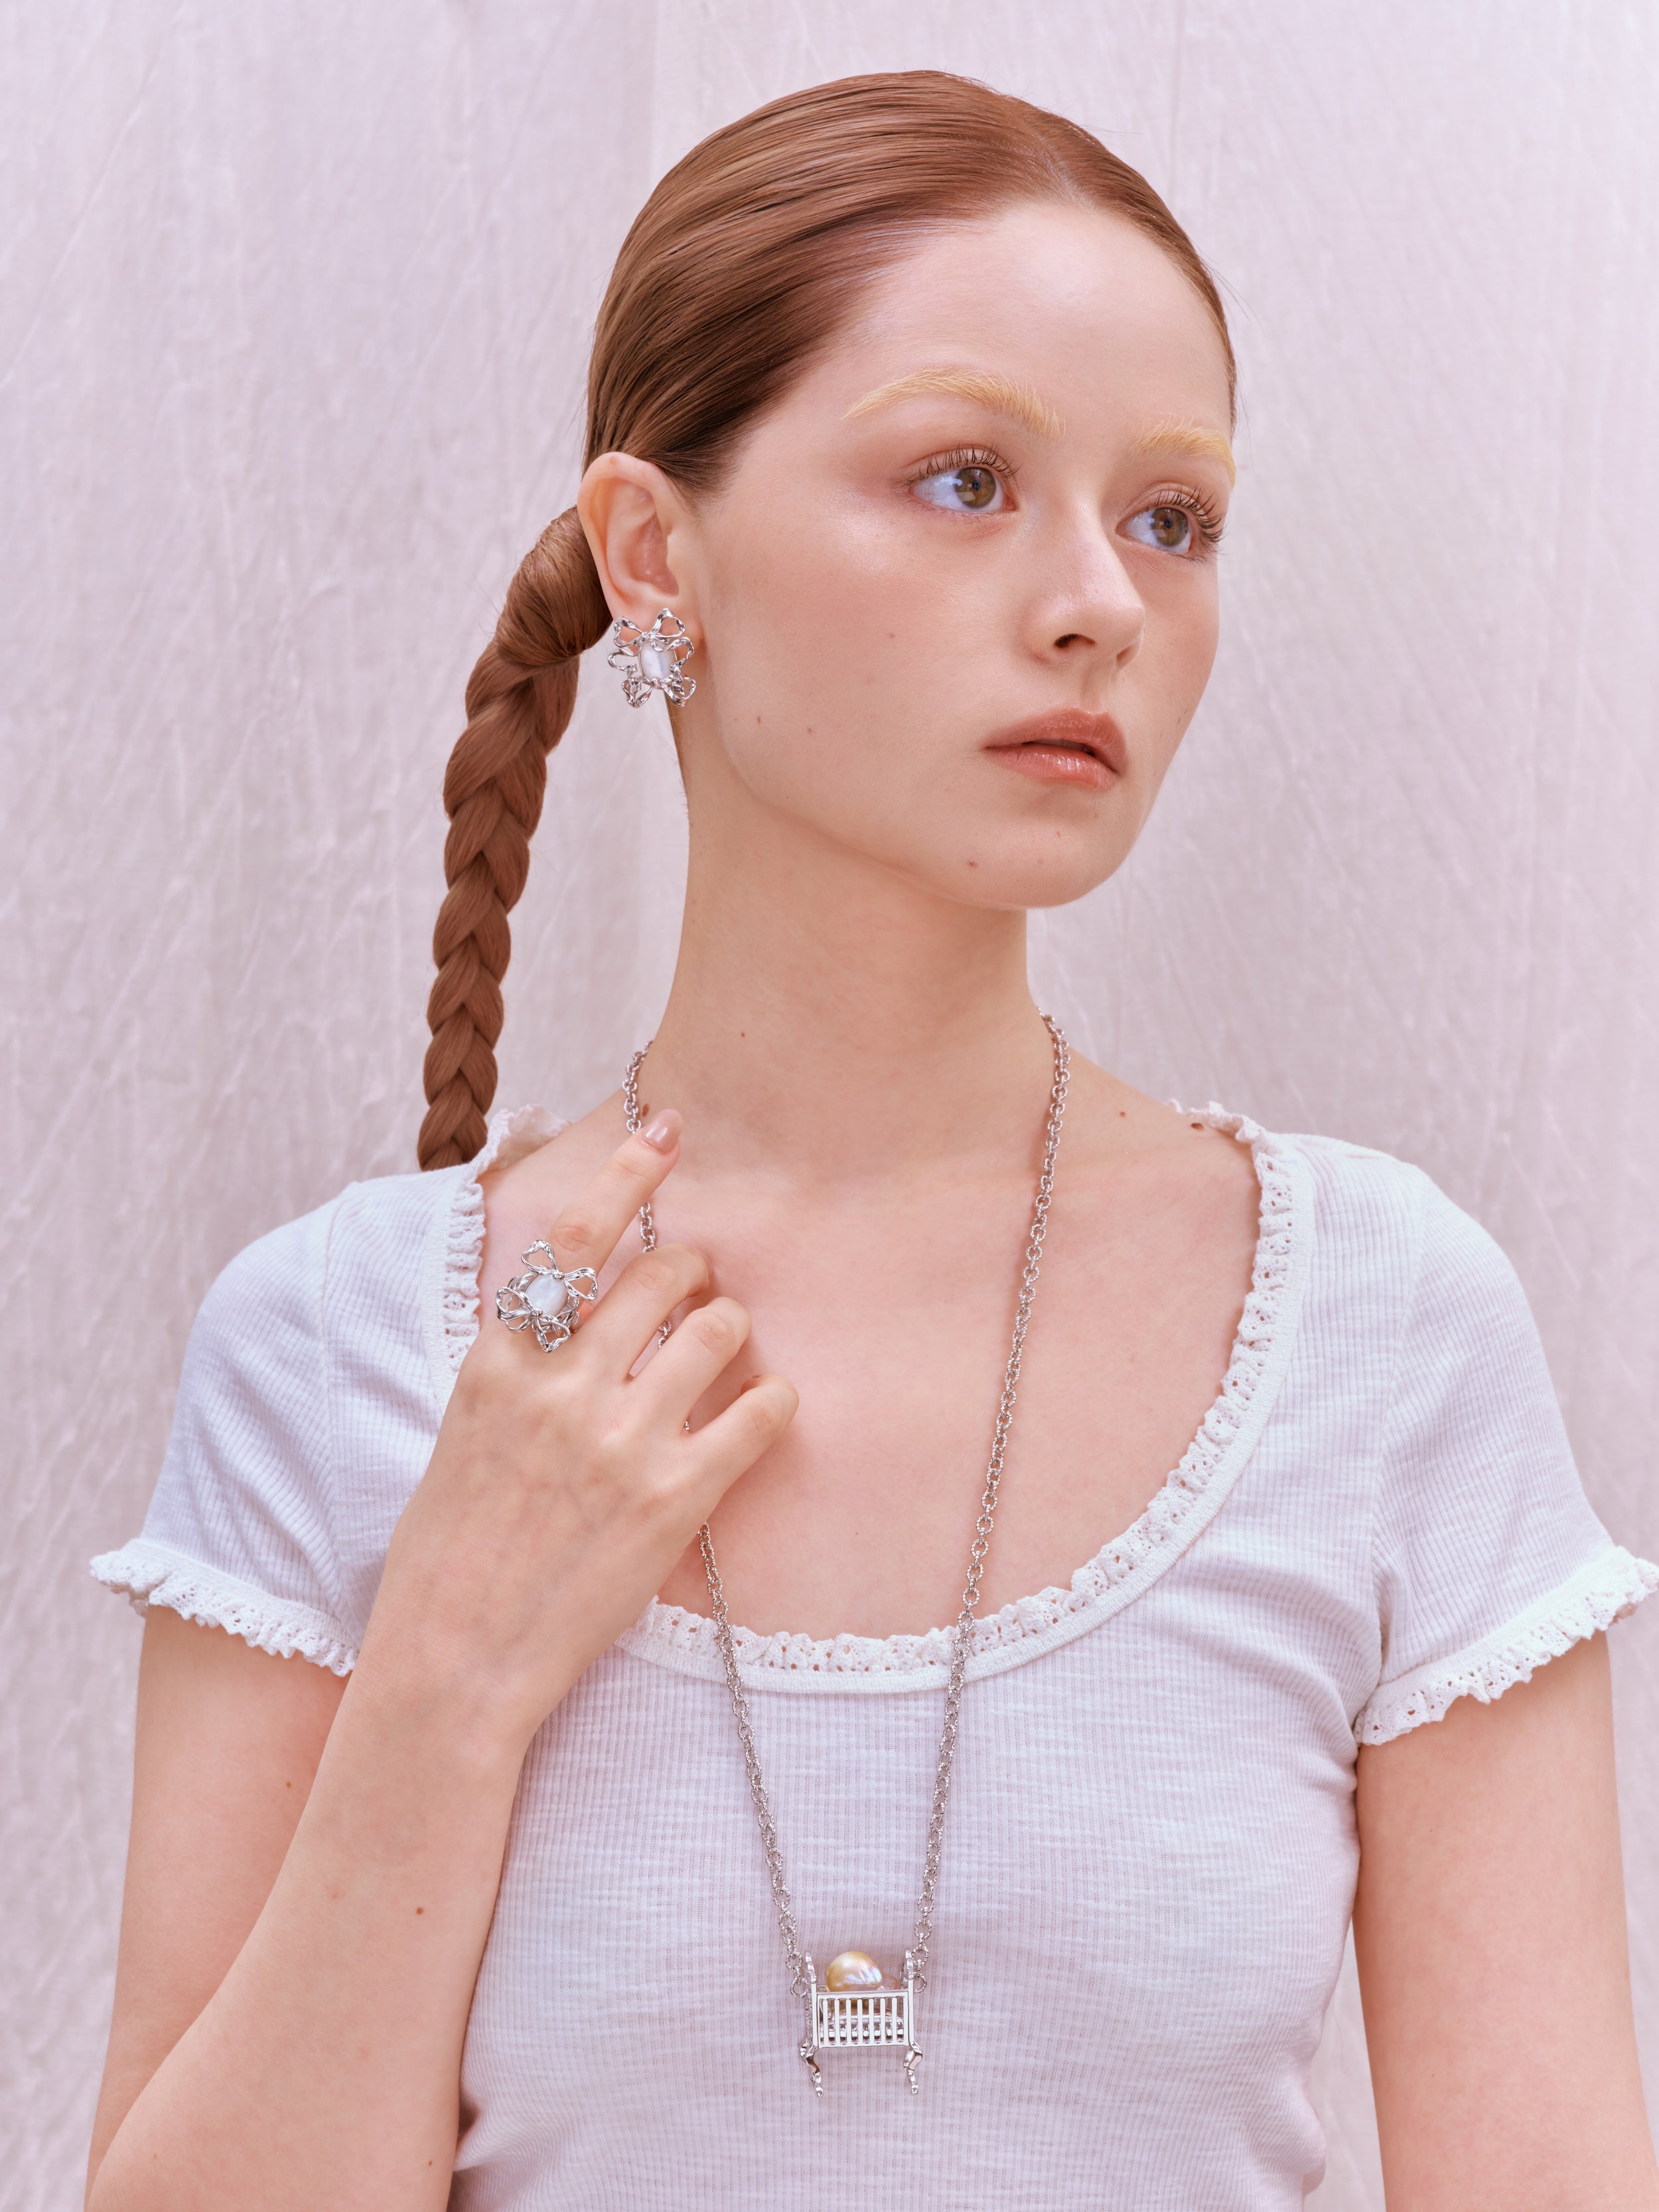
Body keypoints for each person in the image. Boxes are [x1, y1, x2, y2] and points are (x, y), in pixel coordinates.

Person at [84, 70, 1658, 2211]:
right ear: (657, 556)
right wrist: (449, 1665)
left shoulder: (1384, 1329)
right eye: (960, 480)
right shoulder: (335, 1347)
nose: (1100, 600)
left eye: (1171, 516)